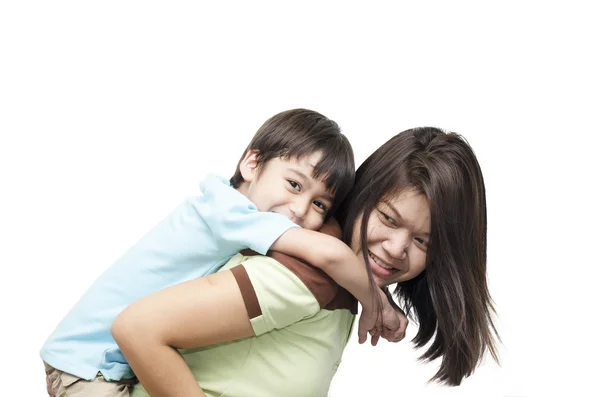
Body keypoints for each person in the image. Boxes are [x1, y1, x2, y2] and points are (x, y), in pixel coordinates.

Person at [111, 126, 500, 397]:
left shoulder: (345, 283)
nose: (398, 248)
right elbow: (138, 328)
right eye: (388, 218)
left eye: (422, 241)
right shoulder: (305, 277)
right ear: (362, 197)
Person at [41, 109, 405, 397]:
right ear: (251, 163)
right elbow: (330, 254)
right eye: (293, 184)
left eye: (320, 205)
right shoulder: (232, 214)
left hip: (102, 360)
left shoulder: (229, 211)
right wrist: (377, 303)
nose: (299, 210)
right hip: (87, 365)